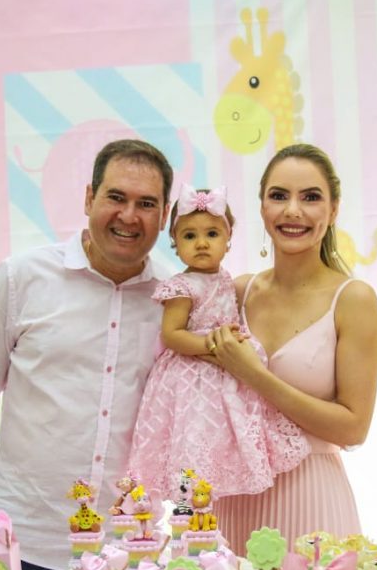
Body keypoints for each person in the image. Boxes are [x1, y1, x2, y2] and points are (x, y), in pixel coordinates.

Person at [0, 139, 173, 570]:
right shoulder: (21, 277)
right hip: (20, 536)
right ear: (89, 198)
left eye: (146, 204)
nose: (128, 216)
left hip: (126, 548)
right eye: (116, 197)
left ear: (164, 215)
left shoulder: (174, 302)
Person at [204, 144, 377, 570]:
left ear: (333, 209)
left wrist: (255, 375)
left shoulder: (354, 299)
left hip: (311, 500)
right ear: (262, 206)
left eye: (311, 197)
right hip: (234, 498)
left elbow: (353, 427)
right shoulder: (236, 292)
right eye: (279, 195)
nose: (293, 211)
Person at [127, 184, 308, 500]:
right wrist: (212, 344)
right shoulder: (182, 287)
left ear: (228, 241)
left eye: (212, 234)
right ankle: (193, 495)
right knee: (196, 430)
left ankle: (229, 468)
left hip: (225, 368)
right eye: (189, 236)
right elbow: (172, 334)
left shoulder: (226, 279)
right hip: (191, 375)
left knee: (229, 425)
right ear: (175, 243)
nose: (201, 243)